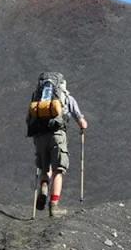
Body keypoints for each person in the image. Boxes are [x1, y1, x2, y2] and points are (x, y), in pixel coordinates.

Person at [27, 75, 88, 217]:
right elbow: (81, 122)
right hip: (57, 135)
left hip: (39, 136)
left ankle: (43, 185)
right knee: (58, 170)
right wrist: (82, 126)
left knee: (44, 168)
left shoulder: (36, 98)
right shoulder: (66, 97)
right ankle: (54, 207)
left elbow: (29, 119)